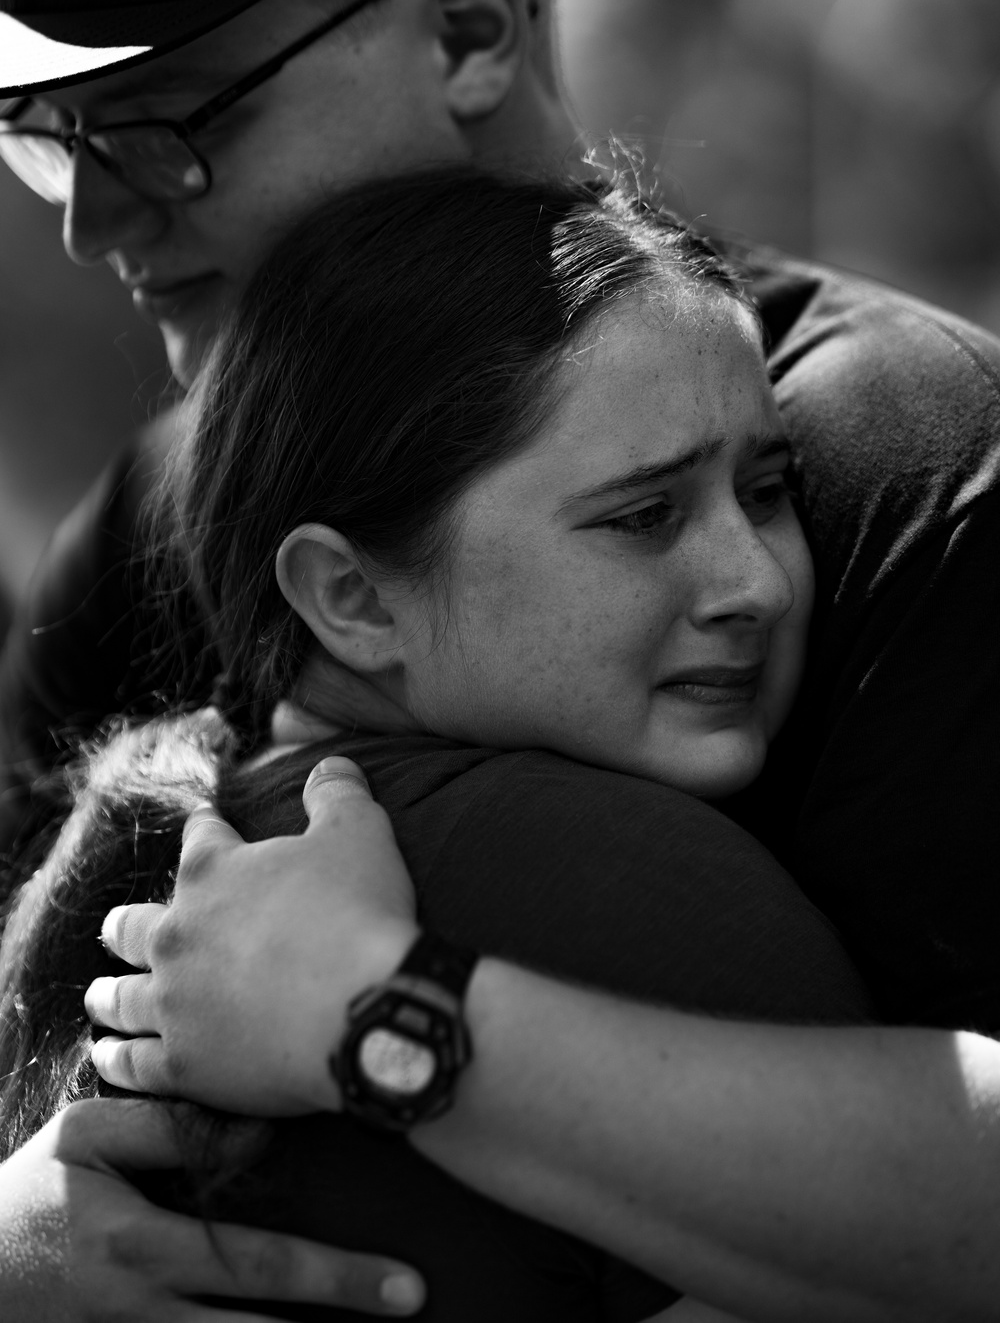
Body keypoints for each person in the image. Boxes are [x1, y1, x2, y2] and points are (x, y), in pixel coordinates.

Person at [0, 0, 998, 1318]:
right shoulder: (151, 510)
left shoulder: (900, 461)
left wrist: (380, 1020)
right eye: (48, 136)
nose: (93, 221)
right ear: (337, 589)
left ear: (470, 29)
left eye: (164, 123)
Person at [1, 167, 875, 1323]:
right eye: (643, 515)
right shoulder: (643, 899)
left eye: (767, 491)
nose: (756, 581)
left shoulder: (113, 844)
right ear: (352, 596)